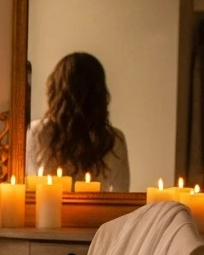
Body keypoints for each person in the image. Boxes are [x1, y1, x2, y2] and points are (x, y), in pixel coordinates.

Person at [26, 52, 130, 191]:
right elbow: (121, 194)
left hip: (47, 211)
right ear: (100, 92)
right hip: (99, 213)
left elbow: (29, 188)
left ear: (56, 89)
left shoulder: (37, 132)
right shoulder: (115, 139)